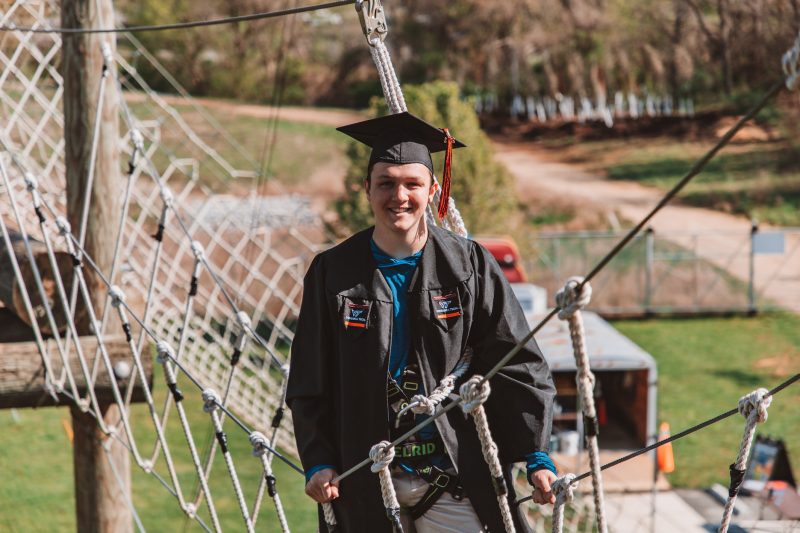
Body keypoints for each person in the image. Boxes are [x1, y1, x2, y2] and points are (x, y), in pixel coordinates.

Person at [286, 111, 557, 532]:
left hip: (455, 474)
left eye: (412, 184)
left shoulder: (468, 266)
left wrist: (535, 453)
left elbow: (516, 359)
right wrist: (318, 460)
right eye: (386, 183)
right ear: (367, 190)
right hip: (367, 476)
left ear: (432, 189)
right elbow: (309, 379)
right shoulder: (332, 273)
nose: (399, 196)